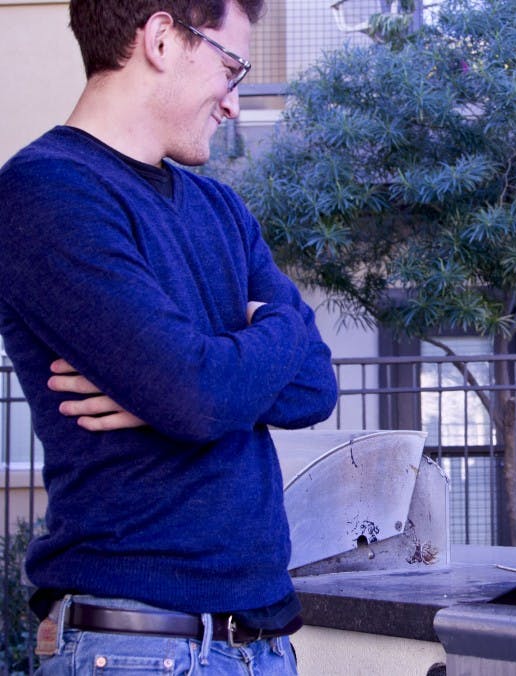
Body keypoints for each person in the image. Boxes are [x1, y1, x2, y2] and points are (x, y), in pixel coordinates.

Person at [0, 0, 338, 673]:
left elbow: (316, 386)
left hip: (262, 645)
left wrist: (187, 377)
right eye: (231, 67)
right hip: (139, 647)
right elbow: (195, 396)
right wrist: (214, 368)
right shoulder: (46, 192)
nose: (234, 104)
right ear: (161, 38)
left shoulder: (220, 207)